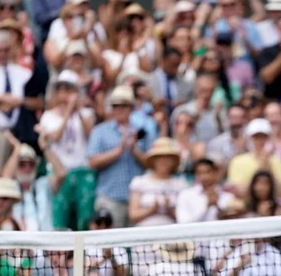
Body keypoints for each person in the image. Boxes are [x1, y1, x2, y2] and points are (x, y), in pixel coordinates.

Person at [87, 86, 154, 228]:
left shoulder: (143, 131)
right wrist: (118, 151)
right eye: (115, 106)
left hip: (137, 199)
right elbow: (92, 162)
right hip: (110, 197)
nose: (119, 109)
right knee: (109, 245)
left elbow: (152, 164)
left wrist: (134, 150)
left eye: (123, 105)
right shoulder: (100, 131)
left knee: (137, 247)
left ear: (131, 108)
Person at [39, 69, 95, 231]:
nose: (64, 93)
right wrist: (68, 112)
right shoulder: (48, 116)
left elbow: (89, 134)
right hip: (59, 173)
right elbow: (55, 136)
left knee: (84, 220)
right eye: (60, 89)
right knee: (59, 222)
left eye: (68, 89)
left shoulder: (86, 113)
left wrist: (76, 110)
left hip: (82, 171)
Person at [0, 29, 34, 181]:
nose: (2, 54)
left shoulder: (24, 73)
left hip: (21, 133)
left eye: (5, 50)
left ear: (11, 49)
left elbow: (40, 102)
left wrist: (19, 102)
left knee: (22, 180)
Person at [127, 137, 189, 227]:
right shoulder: (139, 182)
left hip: (172, 235)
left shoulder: (181, 185)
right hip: (144, 233)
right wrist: (151, 210)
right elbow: (132, 215)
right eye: (159, 157)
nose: (163, 161)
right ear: (153, 160)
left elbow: (188, 218)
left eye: (168, 158)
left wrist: (169, 211)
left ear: (173, 161)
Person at [176, 157, 234, 223]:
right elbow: (183, 222)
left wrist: (216, 205)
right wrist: (206, 207)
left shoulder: (228, 197)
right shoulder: (185, 195)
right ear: (195, 175)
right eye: (199, 173)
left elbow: (229, 222)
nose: (204, 177)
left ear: (216, 173)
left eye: (208, 172)